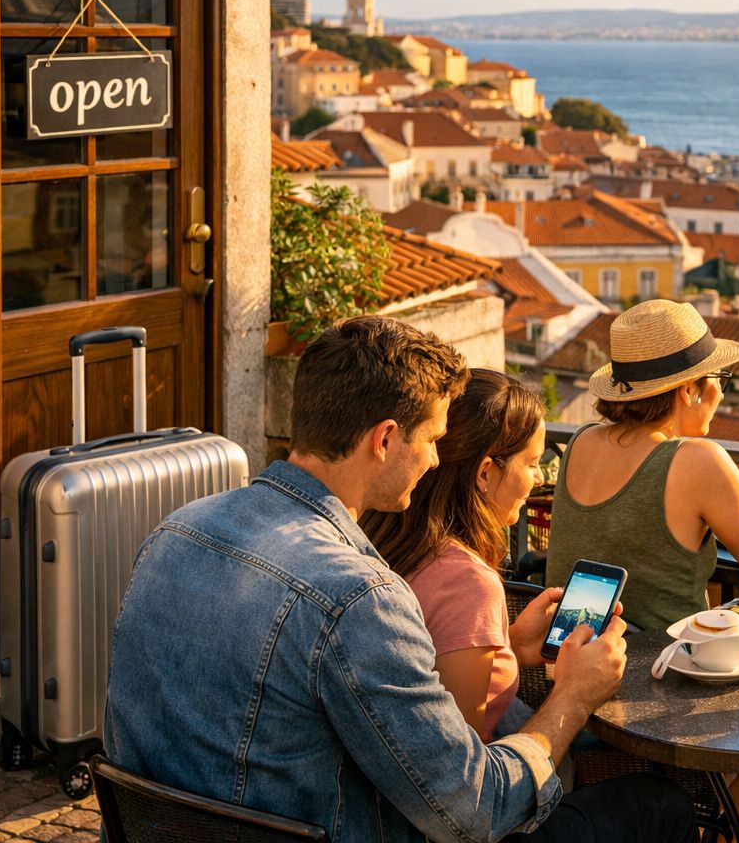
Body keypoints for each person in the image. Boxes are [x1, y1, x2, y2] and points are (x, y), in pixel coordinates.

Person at [104, 316, 696, 843]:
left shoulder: (177, 531)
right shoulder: (357, 597)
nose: (438, 460)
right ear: (385, 439)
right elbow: (474, 811)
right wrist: (573, 695)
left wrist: (511, 649)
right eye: (433, 439)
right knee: (658, 806)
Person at [546, 299, 739, 631]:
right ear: (687, 390)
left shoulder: (581, 441)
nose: (720, 395)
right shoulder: (697, 459)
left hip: (574, 658)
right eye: (717, 379)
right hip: (663, 669)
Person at [361, 368, 548, 741]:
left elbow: (422, 667)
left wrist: (506, 645)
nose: (540, 478)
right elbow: (463, 769)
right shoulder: (467, 582)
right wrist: (575, 692)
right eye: (531, 463)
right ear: (484, 474)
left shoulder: (377, 534)